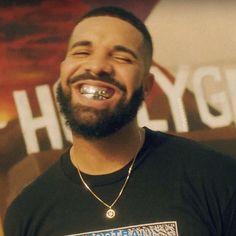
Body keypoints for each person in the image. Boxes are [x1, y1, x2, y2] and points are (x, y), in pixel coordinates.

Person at [4, 6, 236, 236]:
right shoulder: (27, 213)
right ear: (63, 70)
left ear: (146, 86)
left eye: (121, 57)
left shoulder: (216, 178)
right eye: (82, 52)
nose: (96, 67)